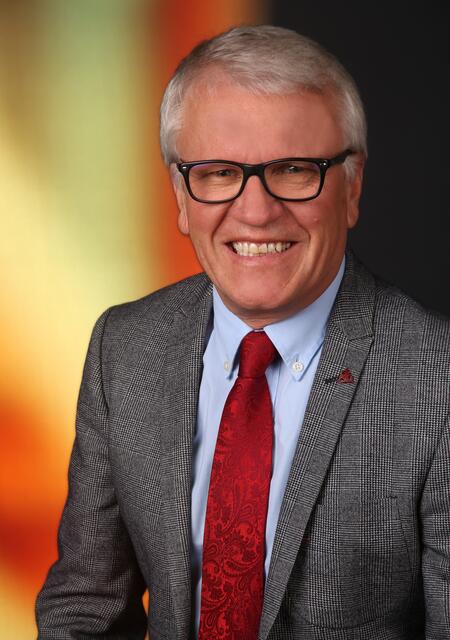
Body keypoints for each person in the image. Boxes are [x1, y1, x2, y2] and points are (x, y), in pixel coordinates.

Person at [36, 25, 449, 640]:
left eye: (294, 169)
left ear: (353, 185)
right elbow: (85, 607)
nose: (255, 211)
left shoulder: (438, 377)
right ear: (181, 194)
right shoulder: (124, 349)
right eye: (219, 173)